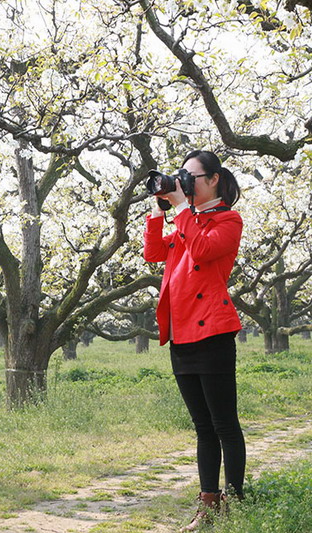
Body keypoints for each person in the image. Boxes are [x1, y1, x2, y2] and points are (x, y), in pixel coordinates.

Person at [143, 150, 245, 531]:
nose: (184, 182)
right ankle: (208, 506)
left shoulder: (228, 220)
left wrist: (182, 207)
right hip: (182, 336)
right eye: (180, 176)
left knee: (224, 425)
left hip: (213, 334)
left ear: (213, 179)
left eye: (191, 177)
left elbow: (201, 250)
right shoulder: (188, 222)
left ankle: (236, 503)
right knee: (203, 427)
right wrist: (159, 209)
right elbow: (153, 252)